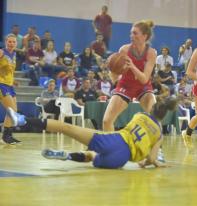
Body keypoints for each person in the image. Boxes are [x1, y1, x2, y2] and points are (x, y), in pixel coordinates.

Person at [6, 97, 177, 169]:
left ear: (152, 108)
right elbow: (152, 159)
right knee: (91, 156)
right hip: (121, 158)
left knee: (67, 128)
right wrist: (151, 164)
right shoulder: (159, 134)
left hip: (114, 139)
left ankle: (22, 120)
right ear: (166, 114)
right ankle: (66, 155)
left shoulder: (139, 115)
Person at [103, 20, 157, 131]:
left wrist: (132, 66)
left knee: (154, 116)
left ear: (144, 36)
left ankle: (156, 147)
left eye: (135, 33)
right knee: (107, 120)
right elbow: (114, 73)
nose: (131, 36)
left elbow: (144, 79)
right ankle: (110, 147)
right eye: (131, 33)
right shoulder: (124, 49)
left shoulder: (151, 53)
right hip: (126, 85)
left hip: (143, 87)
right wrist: (113, 71)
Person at [0, 34, 23, 144]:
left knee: (13, 111)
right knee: (11, 110)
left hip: (9, 85)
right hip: (1, 85)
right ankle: (6, 137)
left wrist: (13, 81)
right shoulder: (1, 52)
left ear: (16, 43)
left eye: (13, 42)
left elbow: (9, 71)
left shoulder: (14, 54)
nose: (11, 44)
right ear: (5, 42)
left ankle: (7, 136)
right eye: (9, 41)